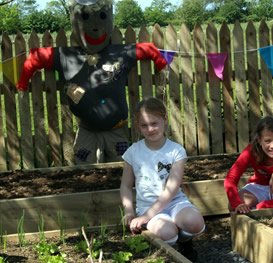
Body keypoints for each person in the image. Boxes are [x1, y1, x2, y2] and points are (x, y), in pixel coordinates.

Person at [16, 0, 167, 165]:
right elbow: (35, 58)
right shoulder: (67, 56)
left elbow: (149, 50)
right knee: (84, 168)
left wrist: (160, 62)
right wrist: (22, 83)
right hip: (86, 131)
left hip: (115, 130)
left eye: (102, 16)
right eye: (85, 17)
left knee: (122, 167)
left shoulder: (120, 53)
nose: (95, 27)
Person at [120, 97, 205, 261]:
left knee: (195, 222)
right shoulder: (133, 152)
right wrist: (129, 210)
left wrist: (145, 218)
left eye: (154, 123)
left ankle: (185, 242)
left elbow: (171, 189)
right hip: (148, 205)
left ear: (165, 119)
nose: (150, 129)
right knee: (166, 232)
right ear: (138, 126)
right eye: (144, 125)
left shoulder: (175, 151)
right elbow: (125, 185)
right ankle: (171, 252)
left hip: (174, 202)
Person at [224, 116, 273, 214]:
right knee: (231, 206)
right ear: (259, 140)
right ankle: (260, 206)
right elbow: (230, 179)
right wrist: (237, 204)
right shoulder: (251, 150)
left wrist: (264, 205)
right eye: (267, 141)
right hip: (259, 187)